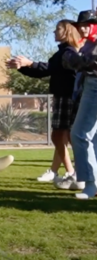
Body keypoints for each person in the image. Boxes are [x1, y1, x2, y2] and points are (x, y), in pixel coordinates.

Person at [6, 20, 84, 190]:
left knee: (62, 136)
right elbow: (47, 70)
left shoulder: (68, 52)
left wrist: (30, 63)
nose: (54, 32)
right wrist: (23, 67)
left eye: (58, 29)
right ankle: (71, 172)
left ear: (67, 32)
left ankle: (75, 173)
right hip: (64, 97)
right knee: (63, 137)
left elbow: (48, 67)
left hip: (68, 98)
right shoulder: (63, 52)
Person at [63, 13, 97, 199]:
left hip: (94, 86)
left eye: (88, 24)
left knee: (79, 134)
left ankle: (91, 184)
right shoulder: (89, 43)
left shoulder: (91, 46)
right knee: (93, 137)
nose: (83, 28)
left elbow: (86, 62)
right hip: (90, 85)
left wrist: (72, 55)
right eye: (81, 25)